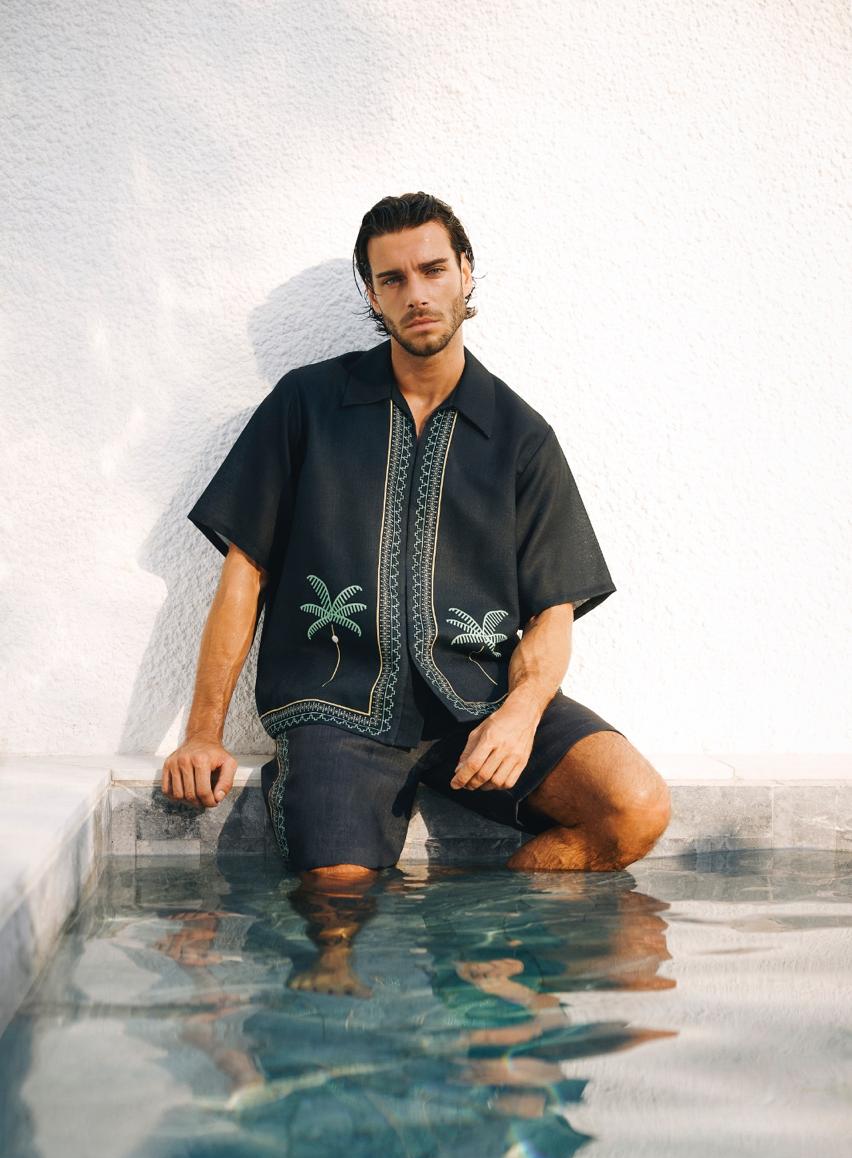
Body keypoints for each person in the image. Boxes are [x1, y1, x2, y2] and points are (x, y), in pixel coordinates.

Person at [162, 191, 671, 880]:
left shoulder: (520, 437)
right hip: (338, 705)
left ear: (466, 272)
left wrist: (520, 714)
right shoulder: (306, 405)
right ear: (372, 296)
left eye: (433, 270)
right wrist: (202, 733)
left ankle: (483, 945)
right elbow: (243, 575)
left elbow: (553, 611)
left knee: (634, 808)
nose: (416, 294)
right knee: (335, 898)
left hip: (478, 699)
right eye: (392, 279)